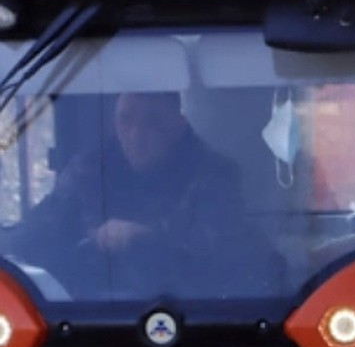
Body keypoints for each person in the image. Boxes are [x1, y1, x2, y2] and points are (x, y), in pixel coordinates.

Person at [10, 91, 277, 296]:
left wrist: (144, 237)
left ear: (179, 124)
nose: (136, 134)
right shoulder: (88, 169)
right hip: (88, 317)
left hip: (193, 313)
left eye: (153, 122)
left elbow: (223, 252)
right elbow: (39, 231)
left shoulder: (216, 174)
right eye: (126, 119)